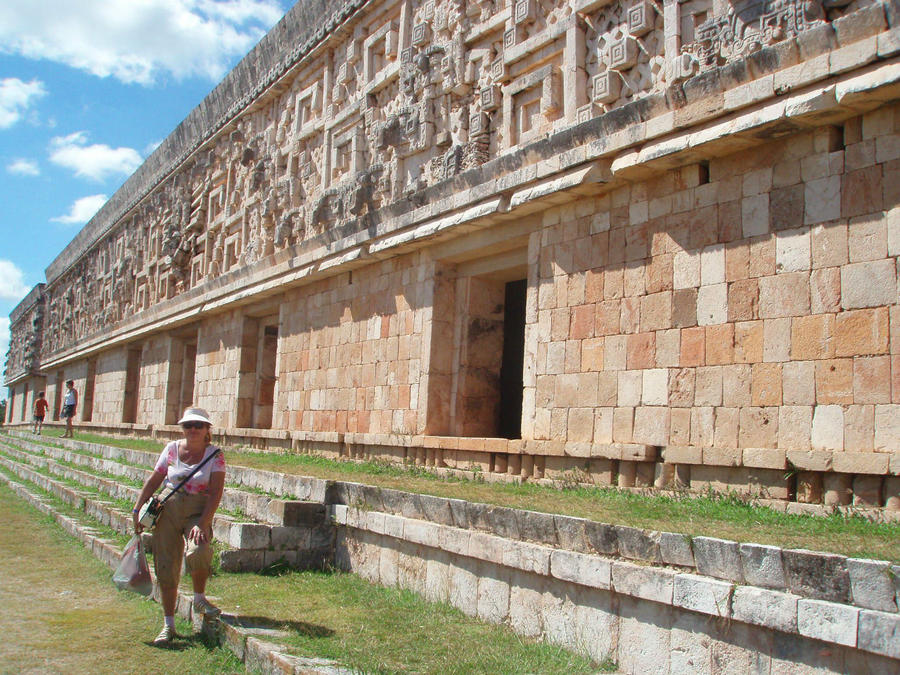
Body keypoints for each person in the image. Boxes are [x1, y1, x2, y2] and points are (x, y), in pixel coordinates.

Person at [133, 407, 226, 646]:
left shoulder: (215, 455)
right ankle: (168, 624)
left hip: (197, 510)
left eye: (198, 425)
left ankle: (198, 597)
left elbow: (216, 491)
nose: (192, 430)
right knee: (166, 564)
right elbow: (155, 479)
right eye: (188, 425)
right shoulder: (172, 449)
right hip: (168, 508)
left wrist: (204, 523)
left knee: (199, 549)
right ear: (182, 428)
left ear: (207, 429)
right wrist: (137, 508)